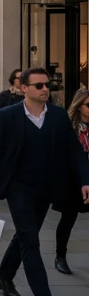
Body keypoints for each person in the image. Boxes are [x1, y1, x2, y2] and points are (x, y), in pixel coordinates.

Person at [0, 68, 89, 296]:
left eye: (47, 85)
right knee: (30, 240)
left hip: (47, 188)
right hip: (18, 188)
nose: (45, 89)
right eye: (39, 86)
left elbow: (75, 151)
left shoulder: (58, 116)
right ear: (24, 88)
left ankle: (4, 277)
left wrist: (85, 181)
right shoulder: (8, 115)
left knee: (26, 235)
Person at [53, 88, 89, 274]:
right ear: (79, 105)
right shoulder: (69, 127)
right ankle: (60, 255)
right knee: (68, 218)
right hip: (72, 180)